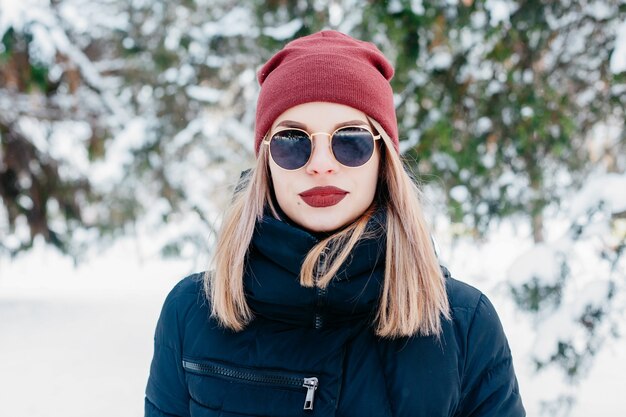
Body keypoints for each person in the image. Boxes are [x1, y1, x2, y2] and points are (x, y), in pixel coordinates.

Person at [144, 30, 525, 417]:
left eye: (350, 140)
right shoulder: (191, 313)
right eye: (292, 140)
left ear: (382, 158)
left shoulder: (463, 325)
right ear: (266, 162)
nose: (321, 163)